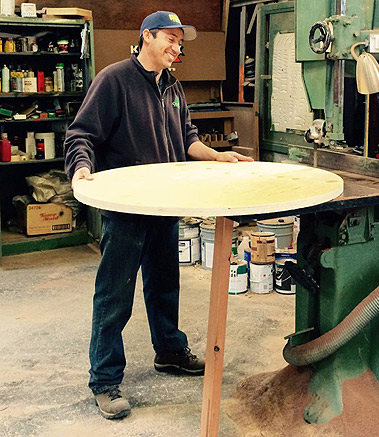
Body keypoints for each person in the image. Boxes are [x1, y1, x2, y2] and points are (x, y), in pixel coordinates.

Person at [64, 10, 252, 420]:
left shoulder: (172, 87)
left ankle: (169, 351)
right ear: (146, 37)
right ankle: (105, 380)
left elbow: (187, 140)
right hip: (128, 208)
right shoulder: (113, 80)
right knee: (115, 294)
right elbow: (81, 134)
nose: (176, 47)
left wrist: (218, 156)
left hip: (165, 203)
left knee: (165, 284)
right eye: (170, 38)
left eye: (180, 42)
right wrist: (81, 168)